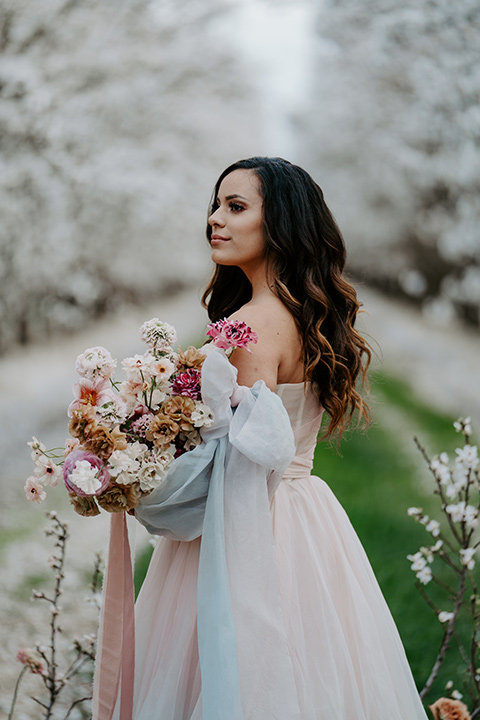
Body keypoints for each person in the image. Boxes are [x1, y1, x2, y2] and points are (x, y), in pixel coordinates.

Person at [122, 157, 428, 719]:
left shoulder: (252, 327)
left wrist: (140, 469)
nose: (215, 219)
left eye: (236, 207)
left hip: (251, 520)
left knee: (240, 668)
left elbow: (238, 463)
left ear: (280, 224)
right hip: (306, 514)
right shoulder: (296, 312)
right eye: (216, 204)